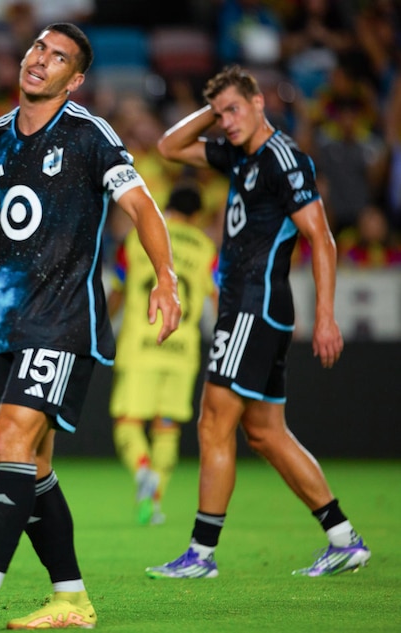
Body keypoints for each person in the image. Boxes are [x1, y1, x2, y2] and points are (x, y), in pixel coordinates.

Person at [0, 23, 182, 631]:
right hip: (13, 326)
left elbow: (140, 205)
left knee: (8, 440)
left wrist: (166, 276)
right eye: (38, 47)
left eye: (58, 57)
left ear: (75, 79)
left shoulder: (89, 135)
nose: (41, 60)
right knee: (31, 468)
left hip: (63, 322)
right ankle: (71, 599)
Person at [146, 65, 371, 580]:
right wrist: (215, 107)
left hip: (254, 306)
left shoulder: (283, 159)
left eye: (234, 109)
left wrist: (327, 317)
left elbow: (322, 238)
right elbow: (169, 146)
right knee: (267, 433)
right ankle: (344, 539)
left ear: (259, 102)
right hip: (249, 308)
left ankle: (201, 555)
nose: (225, 121)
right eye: (219, 113)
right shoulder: (241, 153)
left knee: (212, 422)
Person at [108, 182, 218, 526]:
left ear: (166, 207)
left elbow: (119, 290)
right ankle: (153, 500)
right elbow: (219, 297)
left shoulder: (136, 237)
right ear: (197, 215)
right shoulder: (205, 248)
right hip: (182, 350)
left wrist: (101, 327)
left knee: (128, 421)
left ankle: (142, 469)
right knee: (166, 426)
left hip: (141, 345)